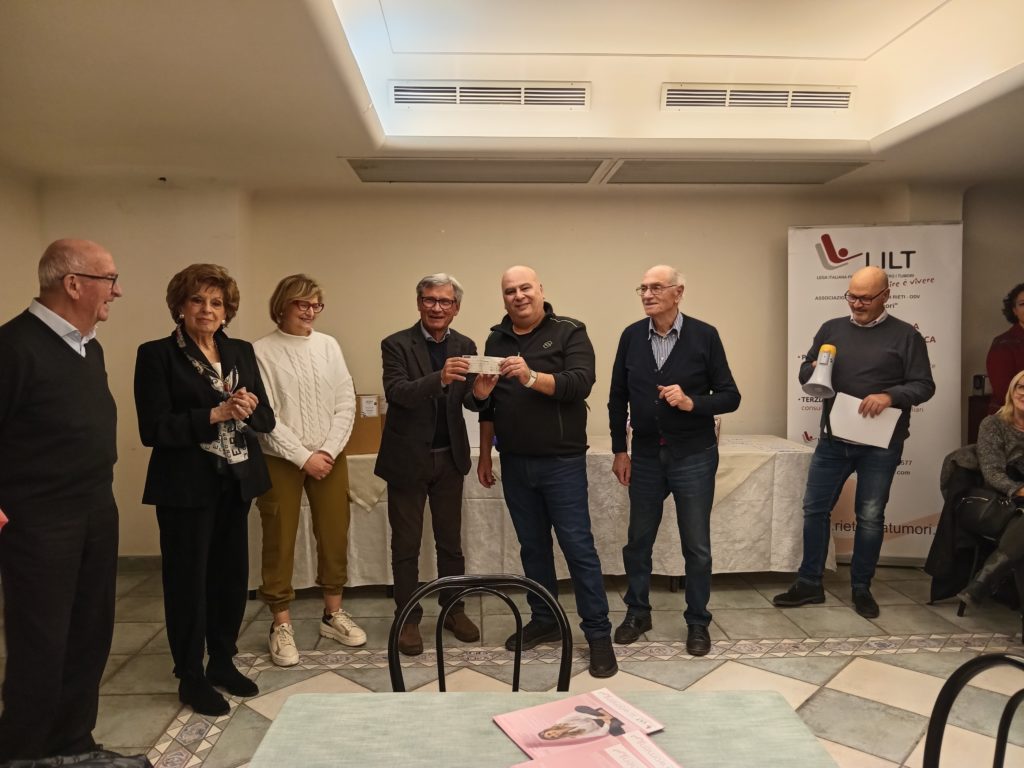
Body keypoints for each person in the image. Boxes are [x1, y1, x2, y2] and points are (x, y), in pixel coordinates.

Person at [135, 263, 275, 717]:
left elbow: (266, 419)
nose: (207, 309)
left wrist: (248, 408)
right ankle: (190, 675)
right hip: (184, 487)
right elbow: (154, 428)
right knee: (188, 581)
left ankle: (222, 660)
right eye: (197, 300)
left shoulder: (240, 351)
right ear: (180, 306)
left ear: (227, 310)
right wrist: (215, 413)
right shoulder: (156, 355)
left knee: (230, 577)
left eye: (217, 302)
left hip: (236, 481)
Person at [0, 239, 122, 760]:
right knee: (41, 642)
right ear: (73, 284)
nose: (117, 291)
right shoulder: (13, 347)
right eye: (109, 279)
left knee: (89, 635)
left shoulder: (88, 347)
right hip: (39, 521)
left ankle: (74, 743)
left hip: (94, 507)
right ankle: (24, 750)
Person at [478, 265, 617, 678]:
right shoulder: (496, 339)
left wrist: (531, 376)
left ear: (540, 290)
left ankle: (598, 635)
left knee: (578, 548)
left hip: (561, 463)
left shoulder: (570, 331)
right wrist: (485, 455)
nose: (518, 296)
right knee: (532, 548)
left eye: (525, 288)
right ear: (503, 298)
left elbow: (580, 383)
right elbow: (488, 405)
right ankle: (545, 619)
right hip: (514, 462)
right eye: (510, 291)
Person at [774, 266, 935, 618]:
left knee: (870, 516)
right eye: (852, 296)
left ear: (885, 296)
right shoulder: (831, 329)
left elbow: (924, 385)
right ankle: (809, 583)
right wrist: (813, 370)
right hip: (834, 440)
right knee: (815, 509)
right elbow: (806, 372)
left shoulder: (907, 336)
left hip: (881, 443)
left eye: (865, 298)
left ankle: (861, 588)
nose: (857, 304)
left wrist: (890, 396)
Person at [608, 265, 740, 656]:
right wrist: (620, 450)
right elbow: (617, 397)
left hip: (694, 455)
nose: (648, 294)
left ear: (678, 292)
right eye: (643, 288)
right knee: (638, 541)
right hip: (646, 456)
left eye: (656, 287)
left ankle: (698, 621)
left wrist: (691, 402)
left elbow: (731, 396)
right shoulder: (631, 336)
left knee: (696, 546)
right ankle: (638, 612)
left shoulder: (704, 336)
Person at [375, 274, 497, 655]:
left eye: (445, 301)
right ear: (419, 303)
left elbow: (468, 401)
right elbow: (397, 392)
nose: (437, 307)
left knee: (450, 543)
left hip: (449, 459)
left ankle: (453, 609)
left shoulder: (465, 345)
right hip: (406, 460)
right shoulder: (395, 344)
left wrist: (479, 395)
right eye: (430, 300)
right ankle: (408, 617)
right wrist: (439, 378)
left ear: (456, 308)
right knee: (406, 544)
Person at [254, 274, 365, 667]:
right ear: (282, 305)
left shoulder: (329, 346)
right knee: (279, 537)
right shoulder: (260, 351)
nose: (310, 311)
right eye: (302, 304)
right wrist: (303, 457)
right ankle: (281, 623)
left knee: (334, 533)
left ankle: (332, 614)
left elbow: (345, 402)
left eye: (316, 305)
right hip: (280, 458)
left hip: (329, 457)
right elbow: (264, 416)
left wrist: (327, 451)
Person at [957, 368, 1024, 607]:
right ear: (1012, 391)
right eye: (1021, 387)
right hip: (1000, 501)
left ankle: (982, 582)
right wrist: (1019, 490)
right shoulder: (994, 424)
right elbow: (993, 473)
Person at [986, 282, 1024, 414]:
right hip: (1011, 419)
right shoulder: (1003, 344)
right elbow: (1004, 392)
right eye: (1023, 304)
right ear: (1014, 310)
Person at [538, 706, 626, 741]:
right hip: (601, 724)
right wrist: (607, 723)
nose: (553, 734)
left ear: (549, 730)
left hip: (593, 716)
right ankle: (611, 719)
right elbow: (599, 733)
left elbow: (577, 714)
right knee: (615, 729)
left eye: (549, 733)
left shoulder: (560, 722)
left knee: (579, 708)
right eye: (552, 737)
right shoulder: (574, 736)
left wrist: (598, 717)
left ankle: (604, 714)